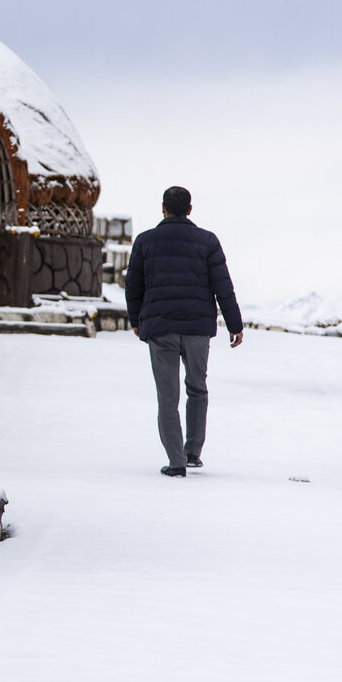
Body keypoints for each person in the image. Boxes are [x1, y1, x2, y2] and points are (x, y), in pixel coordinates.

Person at [125, 186, 243, 477]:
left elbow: (133, 286)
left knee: (167, 396)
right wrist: (235, 324)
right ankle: (192, 452)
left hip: (160, 327)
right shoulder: (208, 241)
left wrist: (135, 320)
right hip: (197, 328)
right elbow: (223, 285)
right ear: (190, 210)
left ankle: (176, 461)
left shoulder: (145, 241)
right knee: (197, 388)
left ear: (162, 208)